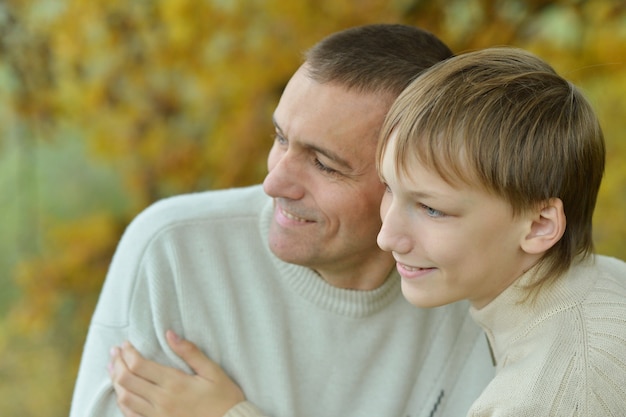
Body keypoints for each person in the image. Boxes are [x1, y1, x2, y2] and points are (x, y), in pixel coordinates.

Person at [70, 24, 496, 417]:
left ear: (408, 184)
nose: (274, 182)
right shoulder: (173, 253)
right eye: (280, 139)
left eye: (324, 164)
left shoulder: (469, 290)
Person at [376, 46, 626, 416]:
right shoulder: (605, 280)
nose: (386, 237)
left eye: (432, 209)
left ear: (540, 225)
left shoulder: (547, 398)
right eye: (388, 188)